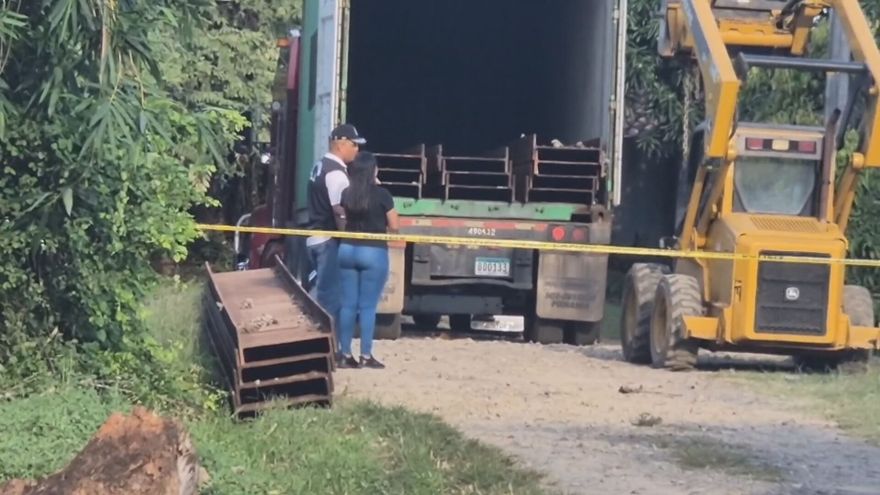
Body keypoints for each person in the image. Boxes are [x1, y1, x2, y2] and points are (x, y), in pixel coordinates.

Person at [305, 124, 365, 348]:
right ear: (341, 145)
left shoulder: (320, 165)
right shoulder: (337, 174)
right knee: (331, 301)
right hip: (328, 244)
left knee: (319, 294)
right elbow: (340, 213)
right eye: (354, 145)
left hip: (314, 238)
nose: (357, 150)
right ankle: (329, 349)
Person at [336, 151, 398, 369]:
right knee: (368, 307)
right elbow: (394, 225)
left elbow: (343, 216)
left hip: (347, 249)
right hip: (373, 251)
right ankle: (365, 354)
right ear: (373, 171)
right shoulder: (383, 195)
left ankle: (344, 354)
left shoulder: (347, 193)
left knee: (347, 305)